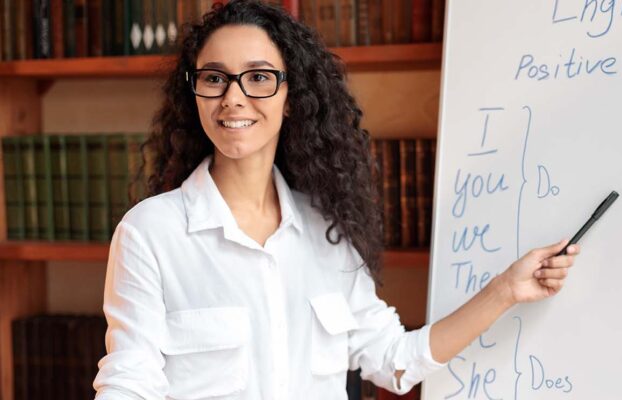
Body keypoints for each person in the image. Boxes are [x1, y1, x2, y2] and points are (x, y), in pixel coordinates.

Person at [92, 1, 580, 399]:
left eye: (259, 77)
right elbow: (129, 383)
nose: (233, 98)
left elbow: (394, 360)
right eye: (214, 78)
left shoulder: (327, 231)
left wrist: (506, 290)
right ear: (194, 91)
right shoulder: (150, 232)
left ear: (291, 95)